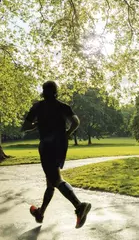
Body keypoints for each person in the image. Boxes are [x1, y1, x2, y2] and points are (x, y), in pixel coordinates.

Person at [21, 81, 91, 229]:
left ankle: (79, 206)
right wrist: (67, 133)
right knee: (51, 181)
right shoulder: (62, 106)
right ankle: (40, 213)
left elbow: (25, 126)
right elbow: (76, 122)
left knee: (56, 179)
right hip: (61, 145)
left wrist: (36, 125)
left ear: (43, 92)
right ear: (55, 91)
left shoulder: (38, 107)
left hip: (46, 145)